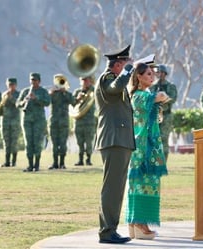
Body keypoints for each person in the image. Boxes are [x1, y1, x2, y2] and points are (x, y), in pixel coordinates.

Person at [94, 45, 135, 244]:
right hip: (114, 139)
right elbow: (114, 89)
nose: (130, 67)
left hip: (120, 139)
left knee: (117, 188)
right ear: (118, 64)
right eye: (127, 64)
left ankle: (111, 229)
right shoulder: (107, 78)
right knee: (112, 188)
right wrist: (127, 72)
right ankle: (106, 231)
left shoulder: (118, 79)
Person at [126, 62, 169, 240]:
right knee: (141, 183)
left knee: (147, 184)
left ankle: (137, 223)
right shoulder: (138, 95)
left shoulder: (145, 95)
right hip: (142, 148)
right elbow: (161, 96)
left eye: (153, 74)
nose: (152, 76)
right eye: (149, 74)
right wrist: (158, 97)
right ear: (139, 77)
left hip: (147, 147)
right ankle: (138, 222)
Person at [16, 72, 51, 172]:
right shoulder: (25, 91)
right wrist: (24, 101)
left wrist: (36, 99)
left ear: (39, 81)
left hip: (38, 120)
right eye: (31, 80)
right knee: (28, 143)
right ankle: (30, 165)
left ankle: (37, 165)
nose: (33, 82)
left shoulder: (43, 91)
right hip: (27, 120)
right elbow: (17, 104)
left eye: (35, 80)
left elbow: (47, 102)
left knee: (37, 142)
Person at [149, 64, 177, 162]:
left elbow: (172, 99)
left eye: (161, 72)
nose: (159, 74)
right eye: (158, 72)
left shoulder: (170, 86)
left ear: (165, 74)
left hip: (166, 115)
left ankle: (163, 161)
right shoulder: (152, 86)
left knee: (164, 139)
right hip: (155, 115)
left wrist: (163, 98)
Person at [48, 74, 75, 170]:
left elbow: (73, 102)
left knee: (63, 144)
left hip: (63, 122)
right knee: (54, 143)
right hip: (54, 121)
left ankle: (62, 163)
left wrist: (65, 92)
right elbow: (47, 102)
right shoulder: (52, 93)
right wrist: (51, 93)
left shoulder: (67, 94)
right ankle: (55, 163)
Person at [72, 76, 96, 166]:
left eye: (86, 80)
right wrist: (78, 98)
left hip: (89, 121)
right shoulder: (77, 92)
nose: (85, 82)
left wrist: (91, 87)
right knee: (79, 142)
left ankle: (88, 159)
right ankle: (80, 159)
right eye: (83, 80)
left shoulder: (93, 91)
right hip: (79, 121)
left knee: (89, 141)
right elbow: (71, 104)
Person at [0, 78, 21, 167]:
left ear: (15, 85)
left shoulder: (19, 94)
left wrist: (11, 98)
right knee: (6, 141)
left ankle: (14, 161)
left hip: (15, 120)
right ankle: (7, 161)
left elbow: (18, 104)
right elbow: (0, 107)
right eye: (9, 85)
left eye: (12, 85)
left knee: (14, 141)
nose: (11, 86)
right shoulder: (4, 94)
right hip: (5, 121)